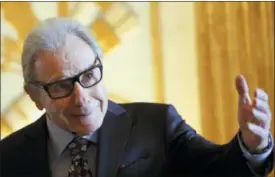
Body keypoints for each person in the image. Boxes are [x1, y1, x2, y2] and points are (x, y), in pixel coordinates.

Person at [0, 17, 273, 177]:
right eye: (61, 86)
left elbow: (219, 172)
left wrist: (252, 145)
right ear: (35, 95)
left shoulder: (157, 126)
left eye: (88, 75)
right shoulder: (8, 158)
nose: (81, 98)